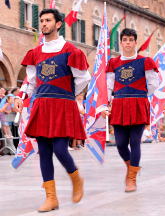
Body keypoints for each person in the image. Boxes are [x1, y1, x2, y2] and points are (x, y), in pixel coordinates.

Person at [14, 9, 90, 212]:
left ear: (58, 24)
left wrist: (69, 95)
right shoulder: (35, 53)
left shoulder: (70, 50)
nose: (43, 23)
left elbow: (83, 77)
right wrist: (20, 97)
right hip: (42, 105)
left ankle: (76, 179)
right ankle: (51, 198)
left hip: (62, 105)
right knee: (45, 153)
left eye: (48, 20)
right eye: (41, 20)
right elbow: (30, 81)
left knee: (60, 150)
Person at [101, 28, 159, 192]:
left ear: (135, 42)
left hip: (138, 104)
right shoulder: (113, 63)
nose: (128, 42)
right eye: (125, 39)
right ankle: (131, 167)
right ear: (121, 42)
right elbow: (109, 85)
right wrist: (106, 102)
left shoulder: (145, 61)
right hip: (119, 105)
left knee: (134, 142)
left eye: (131, 39)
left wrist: (139, 95)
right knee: (120, 144)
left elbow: (154, 83)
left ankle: (132, 179)